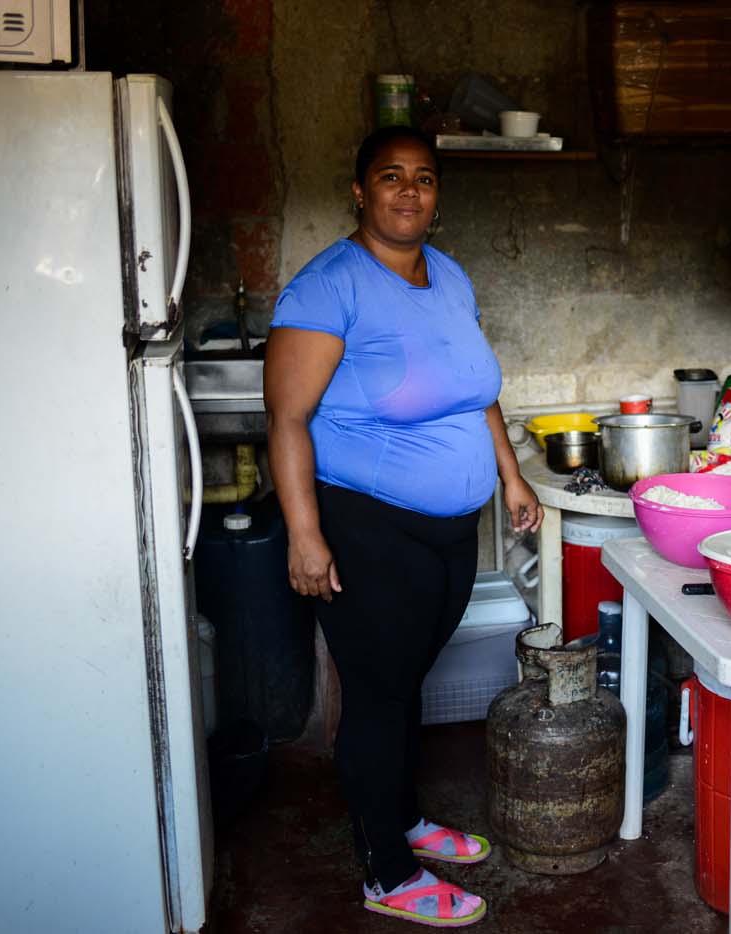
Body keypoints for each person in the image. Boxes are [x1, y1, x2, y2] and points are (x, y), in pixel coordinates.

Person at [264, 124, 543, 928]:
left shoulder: (449, 276)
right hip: (365, 528)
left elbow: (474, 385)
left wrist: (511, 472)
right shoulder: (329, 286)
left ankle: (406, 817)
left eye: (423, 178)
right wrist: (305, 534)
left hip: (450, 530)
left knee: (405, 680)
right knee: (380, 692)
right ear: (360, 190)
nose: (409, 192)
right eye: (391, 176)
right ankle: (386, 871)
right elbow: (286, 417)